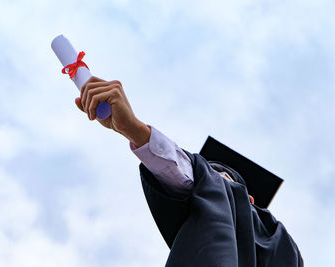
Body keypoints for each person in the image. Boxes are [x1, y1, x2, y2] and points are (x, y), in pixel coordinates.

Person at [75, 76, 304, 266]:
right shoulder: (199, 229)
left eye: (217, 179)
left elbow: (188, 172)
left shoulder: (281, 242)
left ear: (250, 199)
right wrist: (134, 130)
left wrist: (135, 129)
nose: (203, 185)